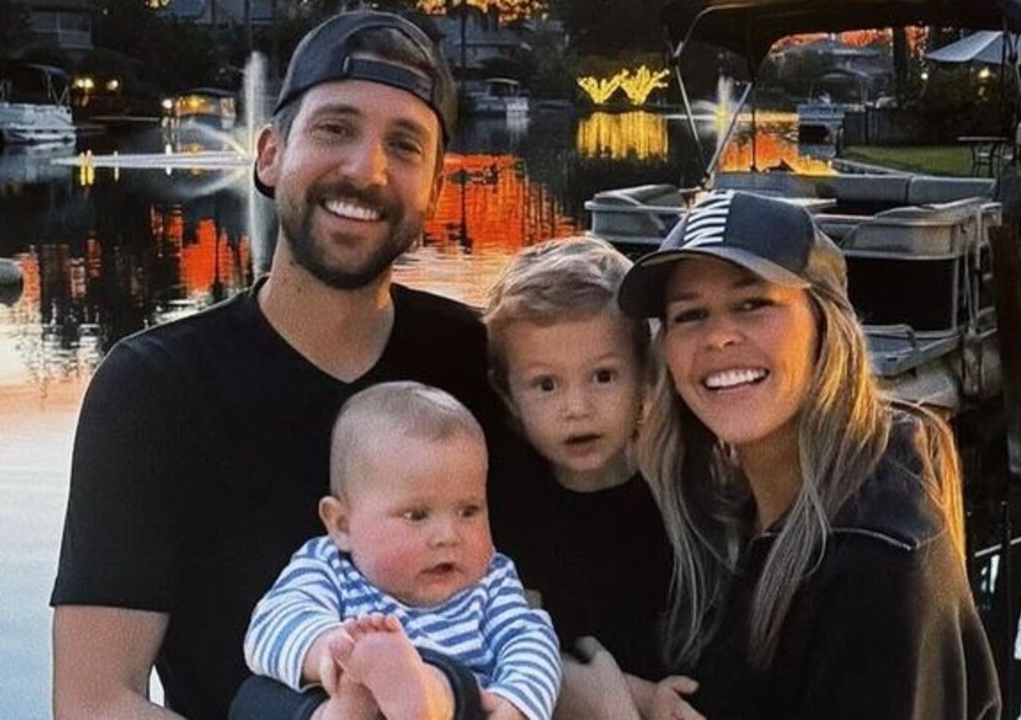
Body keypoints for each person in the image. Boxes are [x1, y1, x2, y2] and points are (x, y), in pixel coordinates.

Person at [50, 11, 514, 719]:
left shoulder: (478, 366)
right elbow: (94, 700)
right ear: (270, 155)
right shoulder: (156, 390)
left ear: (433, 191)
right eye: (335, 129)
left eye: (404, 145)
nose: (365, 169)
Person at [614, 191, 1003, 719]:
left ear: (825, 326)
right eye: (690, 315)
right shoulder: (729, 515)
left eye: (753, 304)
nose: (718, 336)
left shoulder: (878, 569)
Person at [243, 381, 560, 720]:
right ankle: (349, 707)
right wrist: (337, 650)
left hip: (456, 708)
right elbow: (273, 623)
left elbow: (529, 639)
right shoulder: (328, 565)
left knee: (456, 683)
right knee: (264, 698)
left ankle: (428, 692)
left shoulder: (490, 577)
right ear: (343, 525)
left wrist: (516, 703)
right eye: (417, 515)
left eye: (468, 511)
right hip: (353, 694)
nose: (448, 536)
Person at [480, 236, 700, 720]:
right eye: (546, 385)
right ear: (509, 397)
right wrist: (640, 696)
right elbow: (509, 642)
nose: (577, 408)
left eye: (603, 376)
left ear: (645, 376)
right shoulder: (502, 512)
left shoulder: (683, 501)